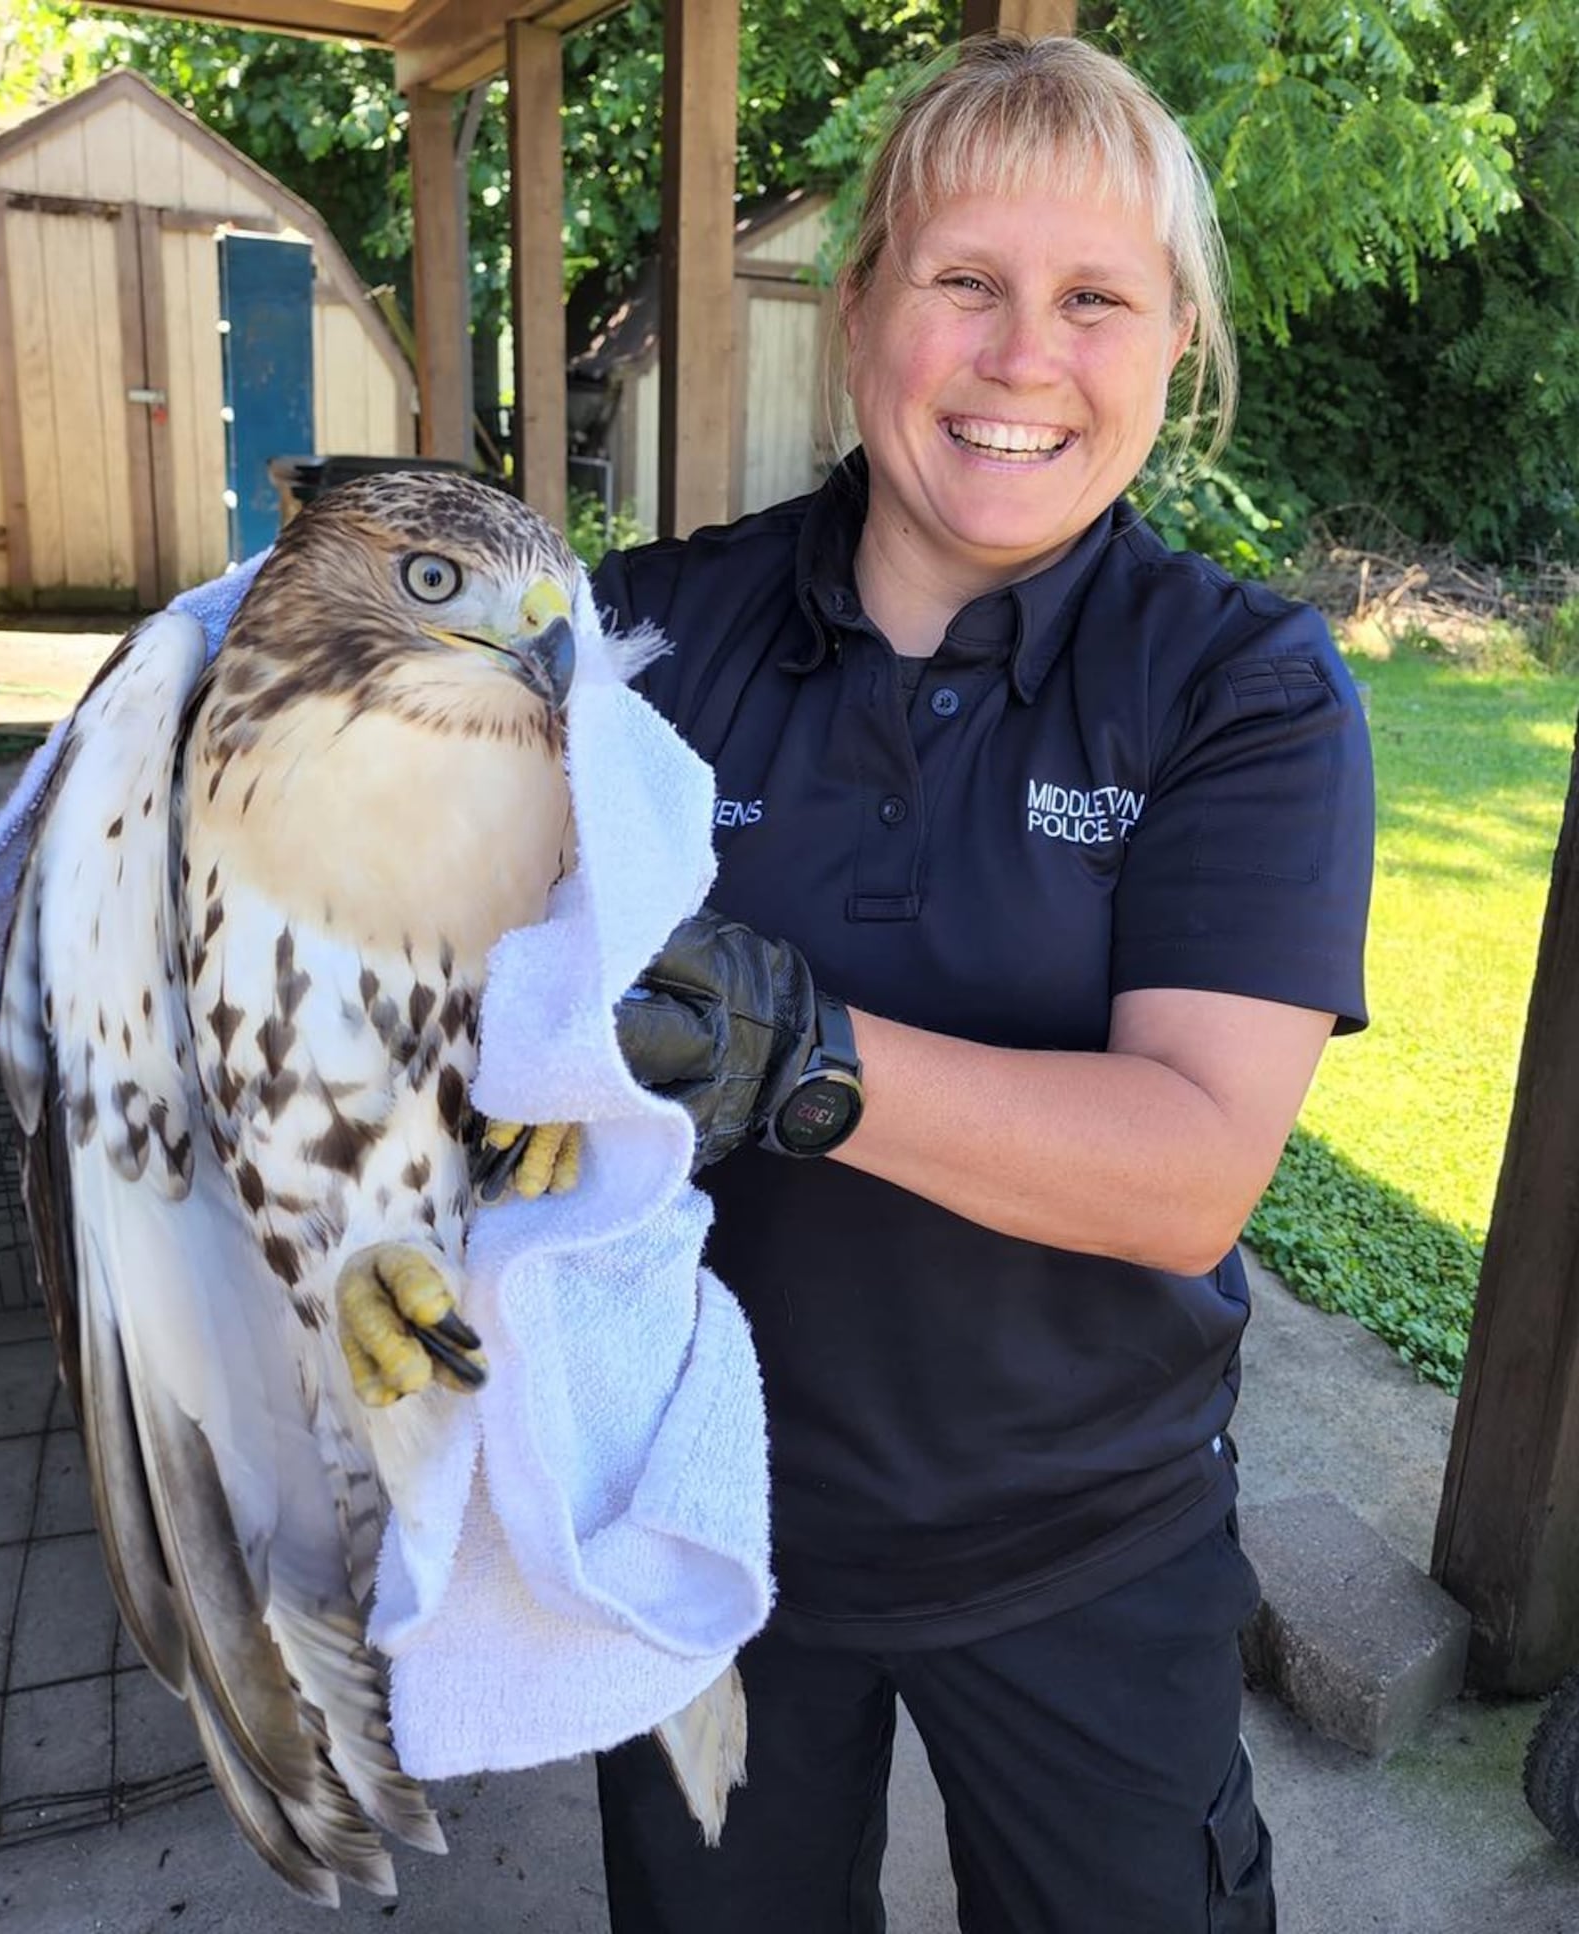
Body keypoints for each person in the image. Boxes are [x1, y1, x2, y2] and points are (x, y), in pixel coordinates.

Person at [599, 32, 1374, 1934]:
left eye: (1095, 298)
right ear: (862, 310)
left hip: (1090, 1543)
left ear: (1172, 341)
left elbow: (1189, 1164)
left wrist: (800, 1049)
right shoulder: (645, 639)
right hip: (705, 1527)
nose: (1026, 357)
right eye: (966, 282)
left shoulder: (1242, 687)